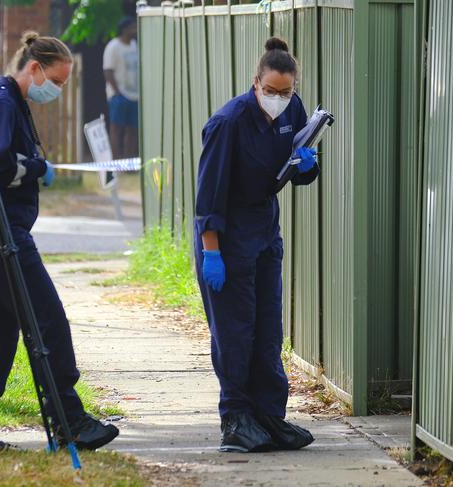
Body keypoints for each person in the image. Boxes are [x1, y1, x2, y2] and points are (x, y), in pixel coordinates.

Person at [0, 31, 119, 454]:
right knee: (47, 320)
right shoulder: (4, 102)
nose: (58, 90)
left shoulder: (9, 102)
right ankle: (69, 421)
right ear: (34, 68)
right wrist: (39, 166)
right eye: (57, 81)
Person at [194, 37, 318, 453]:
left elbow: (290, 168)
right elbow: (208, 196)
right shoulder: (228, 122)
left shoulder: (292, 110)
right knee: (235, 332)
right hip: (226, 237)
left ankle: (269, 415)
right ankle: (236, 418)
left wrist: (306, 166)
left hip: (264, 231)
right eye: (271, 91)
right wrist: (212, 252)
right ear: (255, 83)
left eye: (286, 92)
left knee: (267, 331)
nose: (279, 99)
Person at [103, 16, 138, 159]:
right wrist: (118, 93)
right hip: (119, 95)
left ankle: (129, 162)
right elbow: (108, 71)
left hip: (135, 95)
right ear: (124, 29)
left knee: (133, 130)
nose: (135, 30)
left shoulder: (134, 45)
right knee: (116, 129)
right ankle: (116, 162)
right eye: (132, 27)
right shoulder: (113, 46)